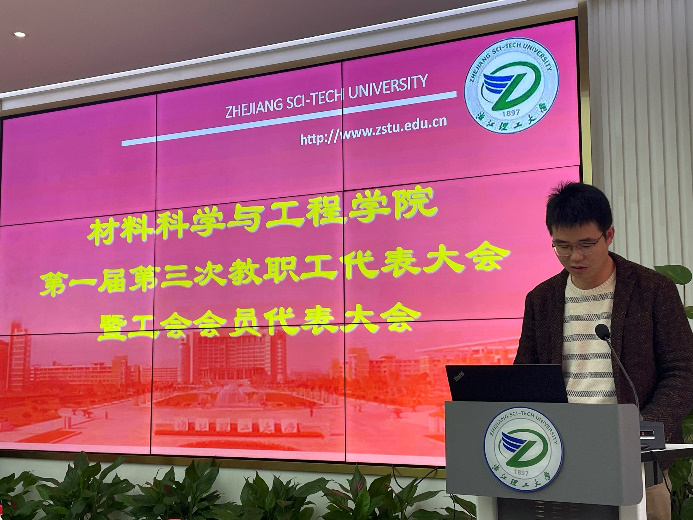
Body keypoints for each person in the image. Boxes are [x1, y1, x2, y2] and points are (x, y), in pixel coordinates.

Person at [514, 182, 693, 520]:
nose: (575, 257)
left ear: (608, 235)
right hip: (563, 456)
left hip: (636, 459)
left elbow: (683, 371)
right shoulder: (542, 299)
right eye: (562, 246)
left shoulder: (653, 290)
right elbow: (527, 374)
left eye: (586, 244)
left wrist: (641, 429)